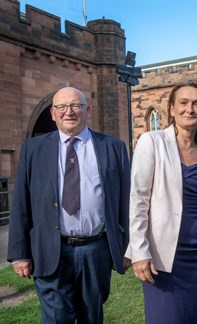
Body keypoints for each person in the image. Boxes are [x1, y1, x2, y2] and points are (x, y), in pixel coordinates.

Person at [7, 87, 131, 323]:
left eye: (76, 106)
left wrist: (127, 247)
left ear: (88, 110)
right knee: (56, 317)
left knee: (91, 316)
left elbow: (125, 200)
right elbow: (21, 202)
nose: (69, 112)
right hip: (49, 249)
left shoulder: (112, 147)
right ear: (53, 113)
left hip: (96, 250)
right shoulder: (33, 149)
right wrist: (19, 253)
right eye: (62, 107)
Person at [127, 80, 197, 324]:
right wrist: (140, 251)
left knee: (194, 318)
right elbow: (138, 200)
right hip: (164, 257)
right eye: (183, 103)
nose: (189, 109)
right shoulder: (152, 142)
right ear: (171, 109)